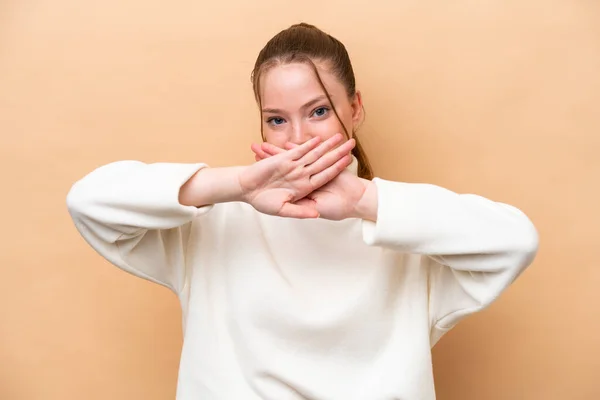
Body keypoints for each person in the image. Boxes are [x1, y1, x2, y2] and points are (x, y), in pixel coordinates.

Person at [66, 22, 539, 400]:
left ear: (354, 108)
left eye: (317, 111)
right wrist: (235, 185)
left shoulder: (404, 230)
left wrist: (361, 201)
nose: (297, 139)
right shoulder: (214, 224)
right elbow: (88, 201)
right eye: (277, 120)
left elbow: (515, 241)